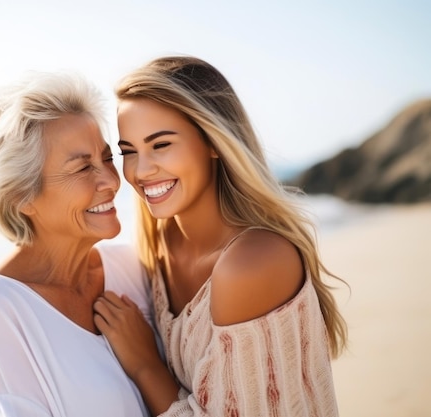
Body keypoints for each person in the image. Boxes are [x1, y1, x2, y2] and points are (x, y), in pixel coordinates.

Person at [93, 55, 348, 416]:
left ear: (214, 141)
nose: (141, 170)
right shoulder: (161, 243)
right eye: (128, 151)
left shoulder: (252, 263)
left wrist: (144, 363)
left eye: (161, 144)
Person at [0, 71, 154, 417]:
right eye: (83, 168)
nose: (111, 182)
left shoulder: (132, 270)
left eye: (108, 159)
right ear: (21, 196)